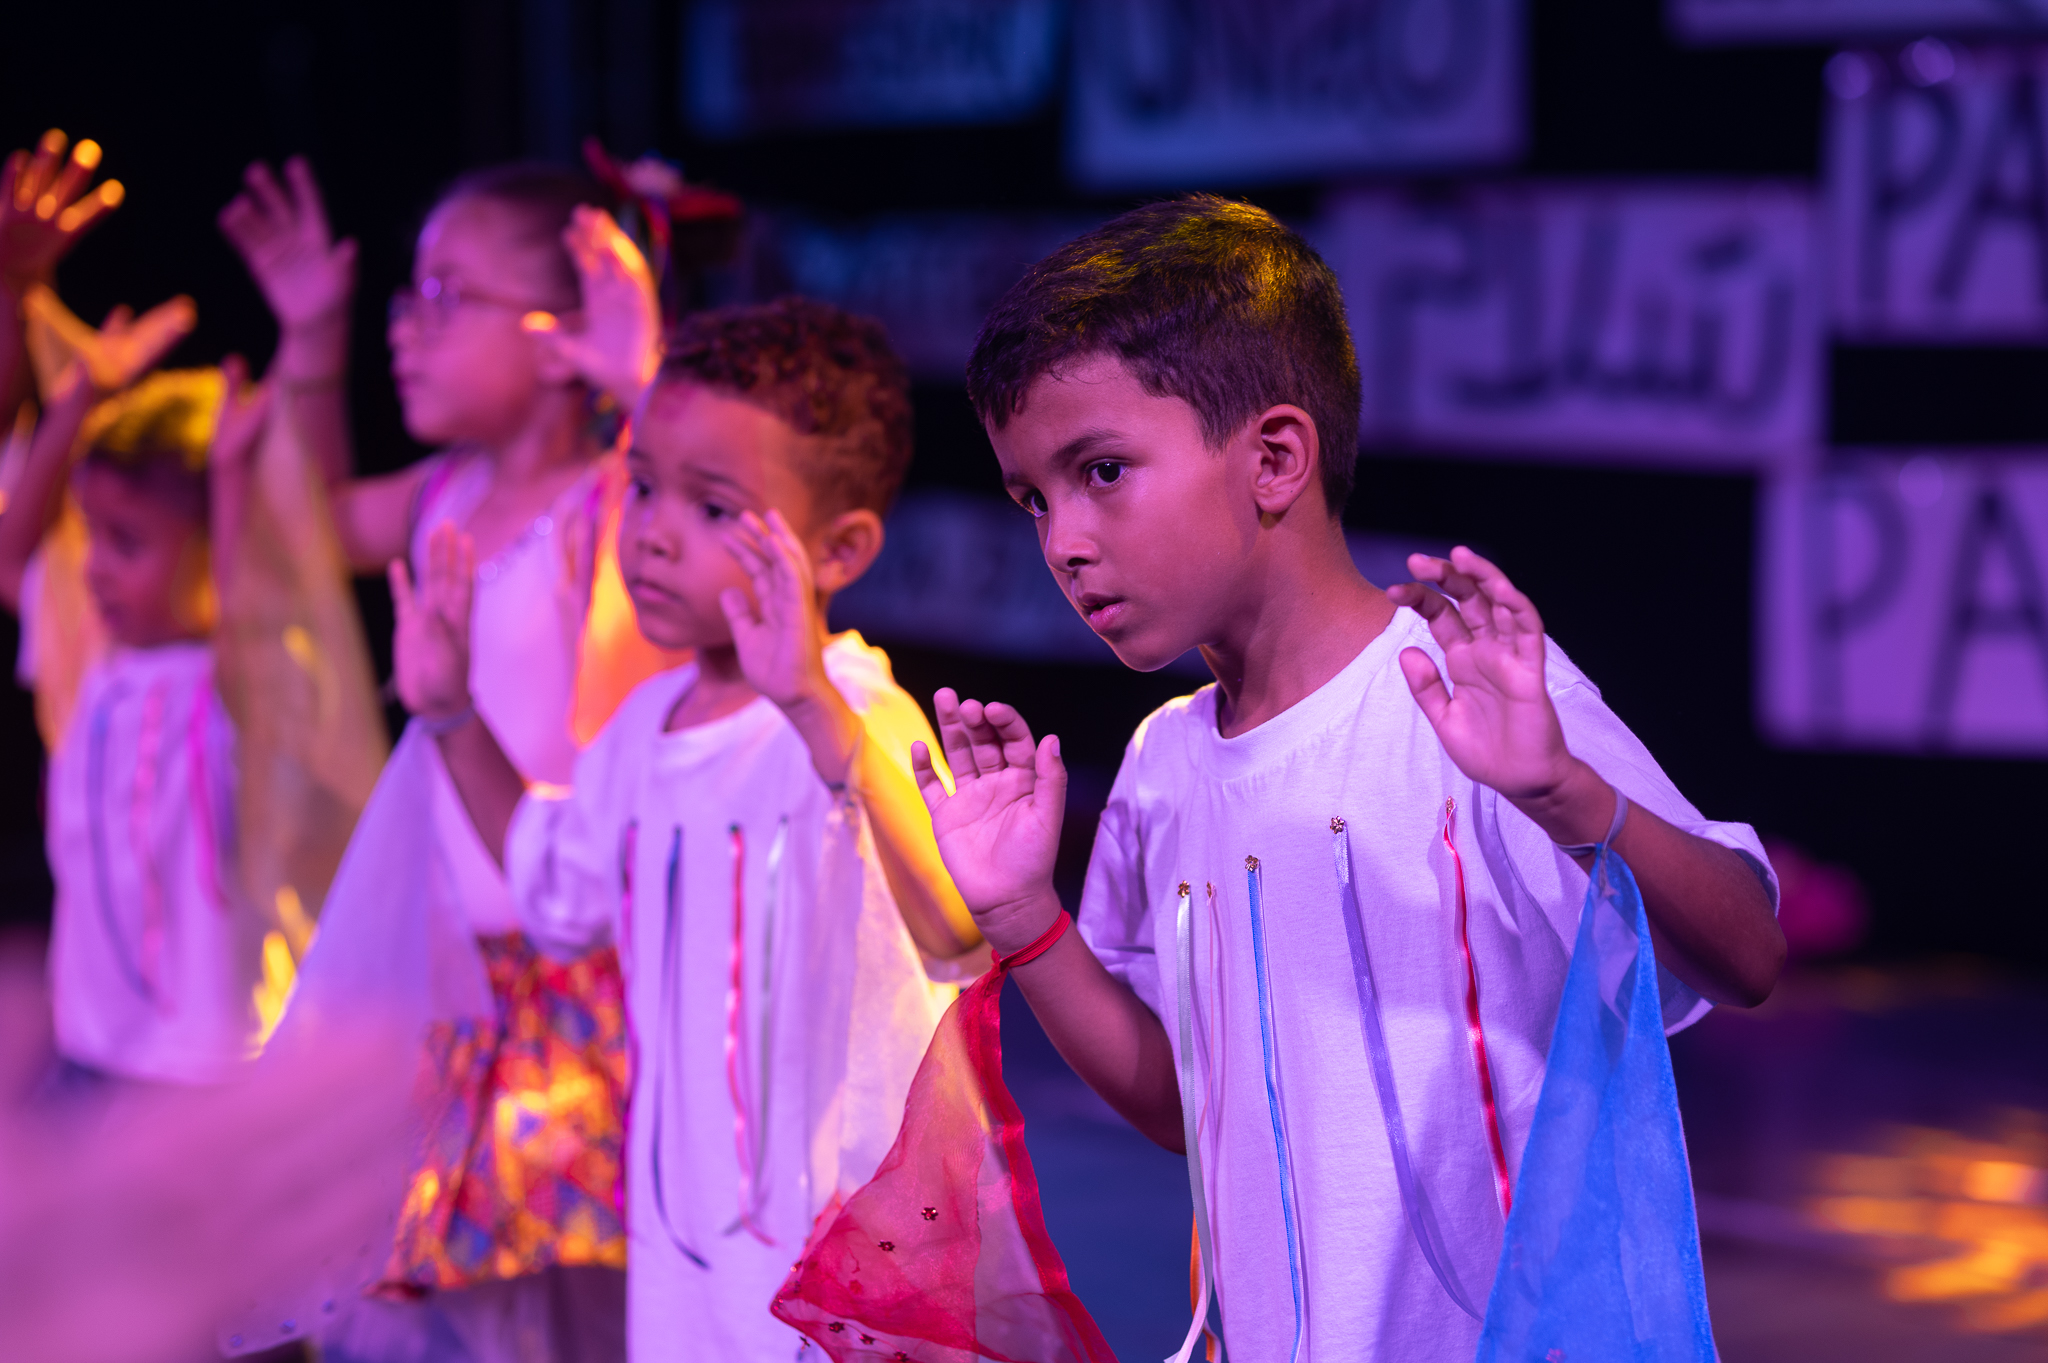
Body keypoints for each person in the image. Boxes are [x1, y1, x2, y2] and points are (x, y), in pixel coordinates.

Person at [912, 196, 1786, 1361]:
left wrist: (1568, 794)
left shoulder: (1459, 696)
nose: (1062, 539)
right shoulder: (1163, 763)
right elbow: (1183, 1104)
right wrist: (1024, 919)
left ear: (1274, 456)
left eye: (1101, 471)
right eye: (1033, 498)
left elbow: (1747, 955)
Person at [390, 296, 981, 1360]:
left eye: (712, 508)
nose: (652, 533)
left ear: (837, 548)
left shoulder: (855, 709)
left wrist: (809, 707)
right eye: (645, 488)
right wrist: (447, 711)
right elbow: (551, 891)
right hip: (681, 1266)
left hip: (829, 1273)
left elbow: (956, 932)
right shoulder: (638, 733)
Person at [220, 160, 680, 1360]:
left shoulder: (608, 500)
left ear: (556, 337)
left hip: (564, 983)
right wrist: (310, 336)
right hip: (445, 983)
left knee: (576, 1304)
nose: (405, 327)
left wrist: (641, 376)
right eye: (405, 296)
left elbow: (698, 516)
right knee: (451, 1305)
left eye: (444, 294)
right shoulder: (445, 492)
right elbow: (316, 520)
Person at [0, 325, 270, 1089]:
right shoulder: (92, 661)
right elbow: (12, 553)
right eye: (94, 536)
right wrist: (79, 399)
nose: (96, 569)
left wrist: (229, 478)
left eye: (128, 542)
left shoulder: (238, 684)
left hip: (209, 1067)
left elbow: (251, 610)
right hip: (89, 1048)